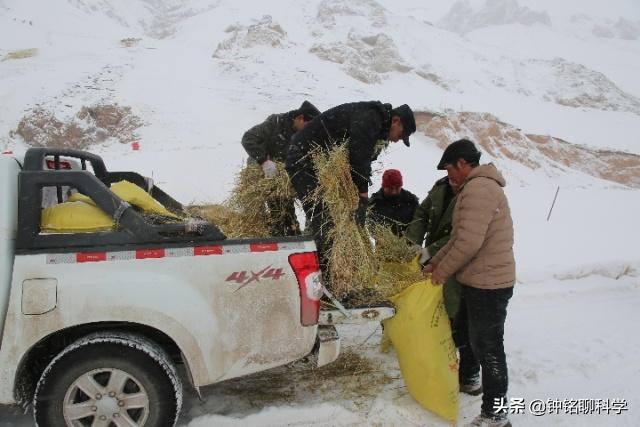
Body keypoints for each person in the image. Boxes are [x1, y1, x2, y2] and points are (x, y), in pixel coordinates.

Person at [424, 139, 515, 427]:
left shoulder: (480, 189)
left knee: (489, 348)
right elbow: (456, 239)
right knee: (465, 333)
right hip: (476, 280)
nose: (448, 174)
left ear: (463, 163)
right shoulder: (472, 188)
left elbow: (468, 243)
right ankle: (469, 379)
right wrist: (434, 262)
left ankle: (496, 415)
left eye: (450, 168)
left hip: (490, 284)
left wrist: (441, 273)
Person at [285, 101, 416, 276]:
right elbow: (358, 155)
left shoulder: (375, 122)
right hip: (304, 160)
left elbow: (359, 159)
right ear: (396, 121)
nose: (397, 140)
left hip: (315, 164)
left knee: (329, 220)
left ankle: (329, 277)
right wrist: (362, 196)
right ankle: (320, 279)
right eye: (401, 134)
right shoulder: (371, 117)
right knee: (325, 222)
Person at [241, 101, 320, 235]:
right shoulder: (275, 123)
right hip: (260, 168)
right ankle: (259, 229)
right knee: (261, 205)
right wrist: (264, 161)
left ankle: (289, 230)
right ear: (300, 118)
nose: (307, 130)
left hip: (281, 174)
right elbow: (248, 139)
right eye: (307, 125)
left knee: (283, 206)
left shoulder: (301, 134)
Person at [405, 174, 462, 324]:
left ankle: (450, 335)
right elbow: (422, 214)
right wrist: (414, 243)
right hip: (432, 253)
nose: (451, 175)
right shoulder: (441, 186)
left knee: (451, 302)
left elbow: (461, 234)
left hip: (456, 258)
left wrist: (430, 251)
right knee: (429, 298)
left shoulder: (473, 193)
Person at [368, 169, 418, 237]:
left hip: (409, 242)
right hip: (384, 243)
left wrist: (411, 233)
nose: (394, 192)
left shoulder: (411, 200)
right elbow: (370, 225)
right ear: (384, 186)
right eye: (390, 188)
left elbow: (420, 221)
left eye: (397, 188)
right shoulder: (374, 202)